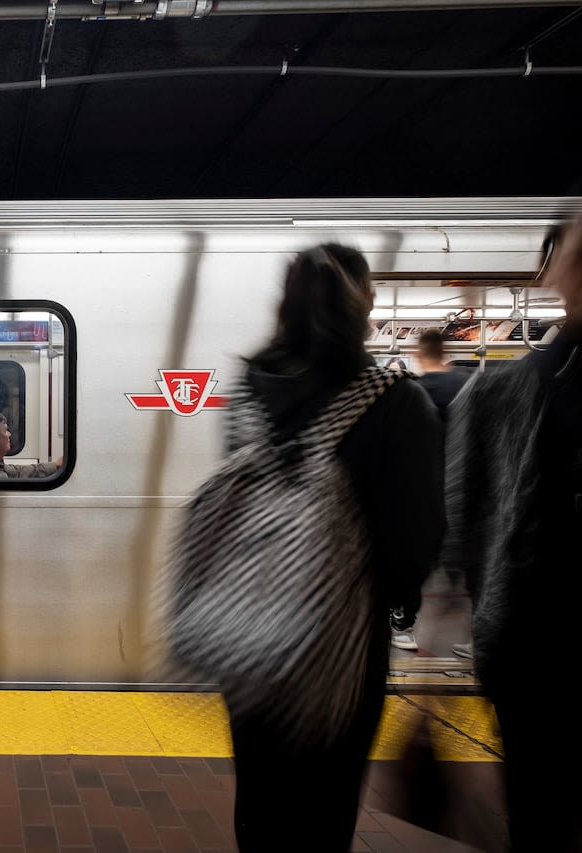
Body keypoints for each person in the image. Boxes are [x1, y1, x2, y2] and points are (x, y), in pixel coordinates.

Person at [225, 244, 444, 851]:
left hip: (248, 641)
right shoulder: (396, 402)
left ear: (284, 306)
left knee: (260, 804)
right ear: (364, 306)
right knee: (324, 813)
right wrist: (399, 603)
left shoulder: (247, 392)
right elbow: (415, 539)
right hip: (343, 650)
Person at [445, 216, 582, 851]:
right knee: (539, 810)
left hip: (528, 640)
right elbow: (464, 516)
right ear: (550, 271)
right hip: (534, 648)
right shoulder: (498, 393)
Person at [390, 329, 474, 653]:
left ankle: (404, 625)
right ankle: (471, 634)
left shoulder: (415, 391)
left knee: (413, 558)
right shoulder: (467, 384)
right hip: (461, 483)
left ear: (418, 353)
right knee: (465, 558)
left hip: (422, 488)